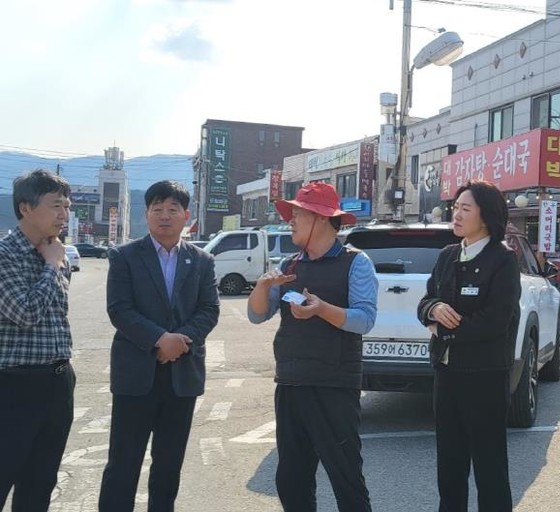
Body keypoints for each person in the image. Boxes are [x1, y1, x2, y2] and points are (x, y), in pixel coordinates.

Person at [248, 182, 378, 512]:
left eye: (298, 214)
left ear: (321, 218)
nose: (290, 221)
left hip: (334, 384)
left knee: (346, 480)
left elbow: (364, 319)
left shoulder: (356, 262)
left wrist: (321, 309)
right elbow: (257, 315)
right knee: (291, 480)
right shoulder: (289, 265)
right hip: (291, 382)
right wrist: (263, 286)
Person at [98, 180, 220, 512]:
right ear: (147, 214)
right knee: (123, 464)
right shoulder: (124, 256)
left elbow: (209, 310)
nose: (164, 216)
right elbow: (119, 309)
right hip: (136, 376)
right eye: (157, 209)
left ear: (186, 216)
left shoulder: (202, 260)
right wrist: (159, 340)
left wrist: (179, 342)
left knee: (168, 466)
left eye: (172, 209)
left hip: (182, 376)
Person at [417, 181, 521, 512]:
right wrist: (433, 309)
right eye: (455, 208)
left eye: (466, 208)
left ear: (486, 216)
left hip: (484, 376)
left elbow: (496, 321)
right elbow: (426, 300)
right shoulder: (448, 255)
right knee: (449, 466)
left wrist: (443, 332)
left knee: (490, 468)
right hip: (446, 374)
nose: (457, 215)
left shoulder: (503, 260)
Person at [0, 169, 75, 511]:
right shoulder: (6, 254)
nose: (64, 214)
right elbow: (26, 312)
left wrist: (53, 261)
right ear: (25, 208)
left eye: (67, 206)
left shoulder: (55, 252)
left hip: (58, 381)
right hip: (14, 386)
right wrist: (52, 266)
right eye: (56, 205)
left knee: (40, 483)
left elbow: (56, 317)